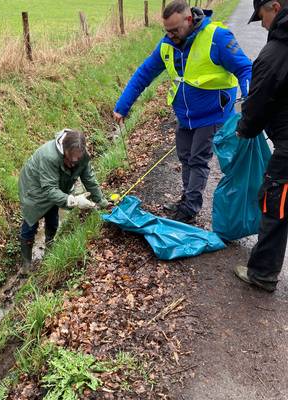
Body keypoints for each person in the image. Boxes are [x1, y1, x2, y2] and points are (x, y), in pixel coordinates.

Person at [113, 0, 252, 223]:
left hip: (213, 113)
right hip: (185, 115)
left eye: (175, 30)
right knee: (185, 157)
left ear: (189, 20)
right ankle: (187, 198)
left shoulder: (217, 37)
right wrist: (122, 106)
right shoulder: (168, 43)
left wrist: (249, 97)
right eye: (166, 31)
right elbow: (144, 74)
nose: (170, 35)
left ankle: (190, 208)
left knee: (198, 159)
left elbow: (245, 67)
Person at [234, 0, 288, 292]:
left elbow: (257, 103)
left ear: (276, 7)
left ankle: (263, 273)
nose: (263, 23)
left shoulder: (276, 52)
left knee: (275, 203)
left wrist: (244, 129)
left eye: (263, 16)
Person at [18, 129, 108, 273]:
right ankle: (26, 264)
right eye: (71, 159)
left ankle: (50, 247)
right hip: (34, 189)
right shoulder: (49, 156)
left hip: (56, 186)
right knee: (30, 223)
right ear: (63, 150)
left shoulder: (81, 156)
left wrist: (102, 202)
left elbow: (89, 178)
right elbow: (49, 189)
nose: (74, 163)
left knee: (52, 217)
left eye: (77, 159)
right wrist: (74, 200)